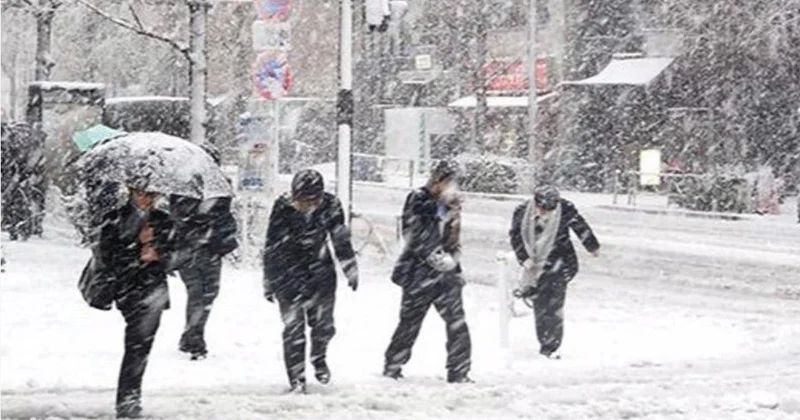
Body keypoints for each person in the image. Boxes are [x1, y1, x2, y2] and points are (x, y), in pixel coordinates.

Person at [262, 169, 359, 393]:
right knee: (293, 329)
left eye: (312, 200)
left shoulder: (331, 206)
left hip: (320, 272)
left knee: (324, 326)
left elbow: (340, 239)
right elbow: (271, 244)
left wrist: (350, 268)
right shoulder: (283, 207)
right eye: (302, 200)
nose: (307, 205)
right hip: (287, 273)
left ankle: (319, 356)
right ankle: (296, 378)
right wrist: (268, 279)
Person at [384, 160, 473, 384]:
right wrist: (433, 255)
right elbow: (412, 232)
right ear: (438, 181)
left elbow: (453, 239)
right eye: (449, 183)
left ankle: (459, 371)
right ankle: (393, 366)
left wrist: (453, 261)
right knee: (410, 322)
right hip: (419, 273)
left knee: (457, 322)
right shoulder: (419, 199)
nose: (453, 189)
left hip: (446, 274)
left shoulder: (453, 206)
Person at [95, 185, 173, 418]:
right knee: (136, 345)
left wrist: (158, 252)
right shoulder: (114, 218)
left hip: (154, 290)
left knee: (140, 346)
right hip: (127, 288)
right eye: (142, 193)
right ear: (131, 192)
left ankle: (130, 398)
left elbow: (177, 254)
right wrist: (137, 245)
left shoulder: (163, 220)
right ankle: (128, 400)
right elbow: (107, 256)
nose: (147, 199)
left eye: (153, 194)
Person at [508, 185, 599, 360]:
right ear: (535, 203)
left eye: (549, 209)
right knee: (541, 305)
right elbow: (516, 236)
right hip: (535, 266)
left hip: (560, 261)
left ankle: (551, 345)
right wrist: (524, 258)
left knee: (554, 304)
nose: (544, 213)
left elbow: (580, 227)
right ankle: (545, 342)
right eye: (541, 209)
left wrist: (592, 246)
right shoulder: (521, 212)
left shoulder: (565, 209)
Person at [171, 195, 238, 360]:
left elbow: (227, 224)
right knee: (198, 295)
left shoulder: (218, 199)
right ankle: (195, 340)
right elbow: (176, 224)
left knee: (207, 295)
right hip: (191, 253)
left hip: (209, 253)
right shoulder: (182, 199)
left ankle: (190, 335)